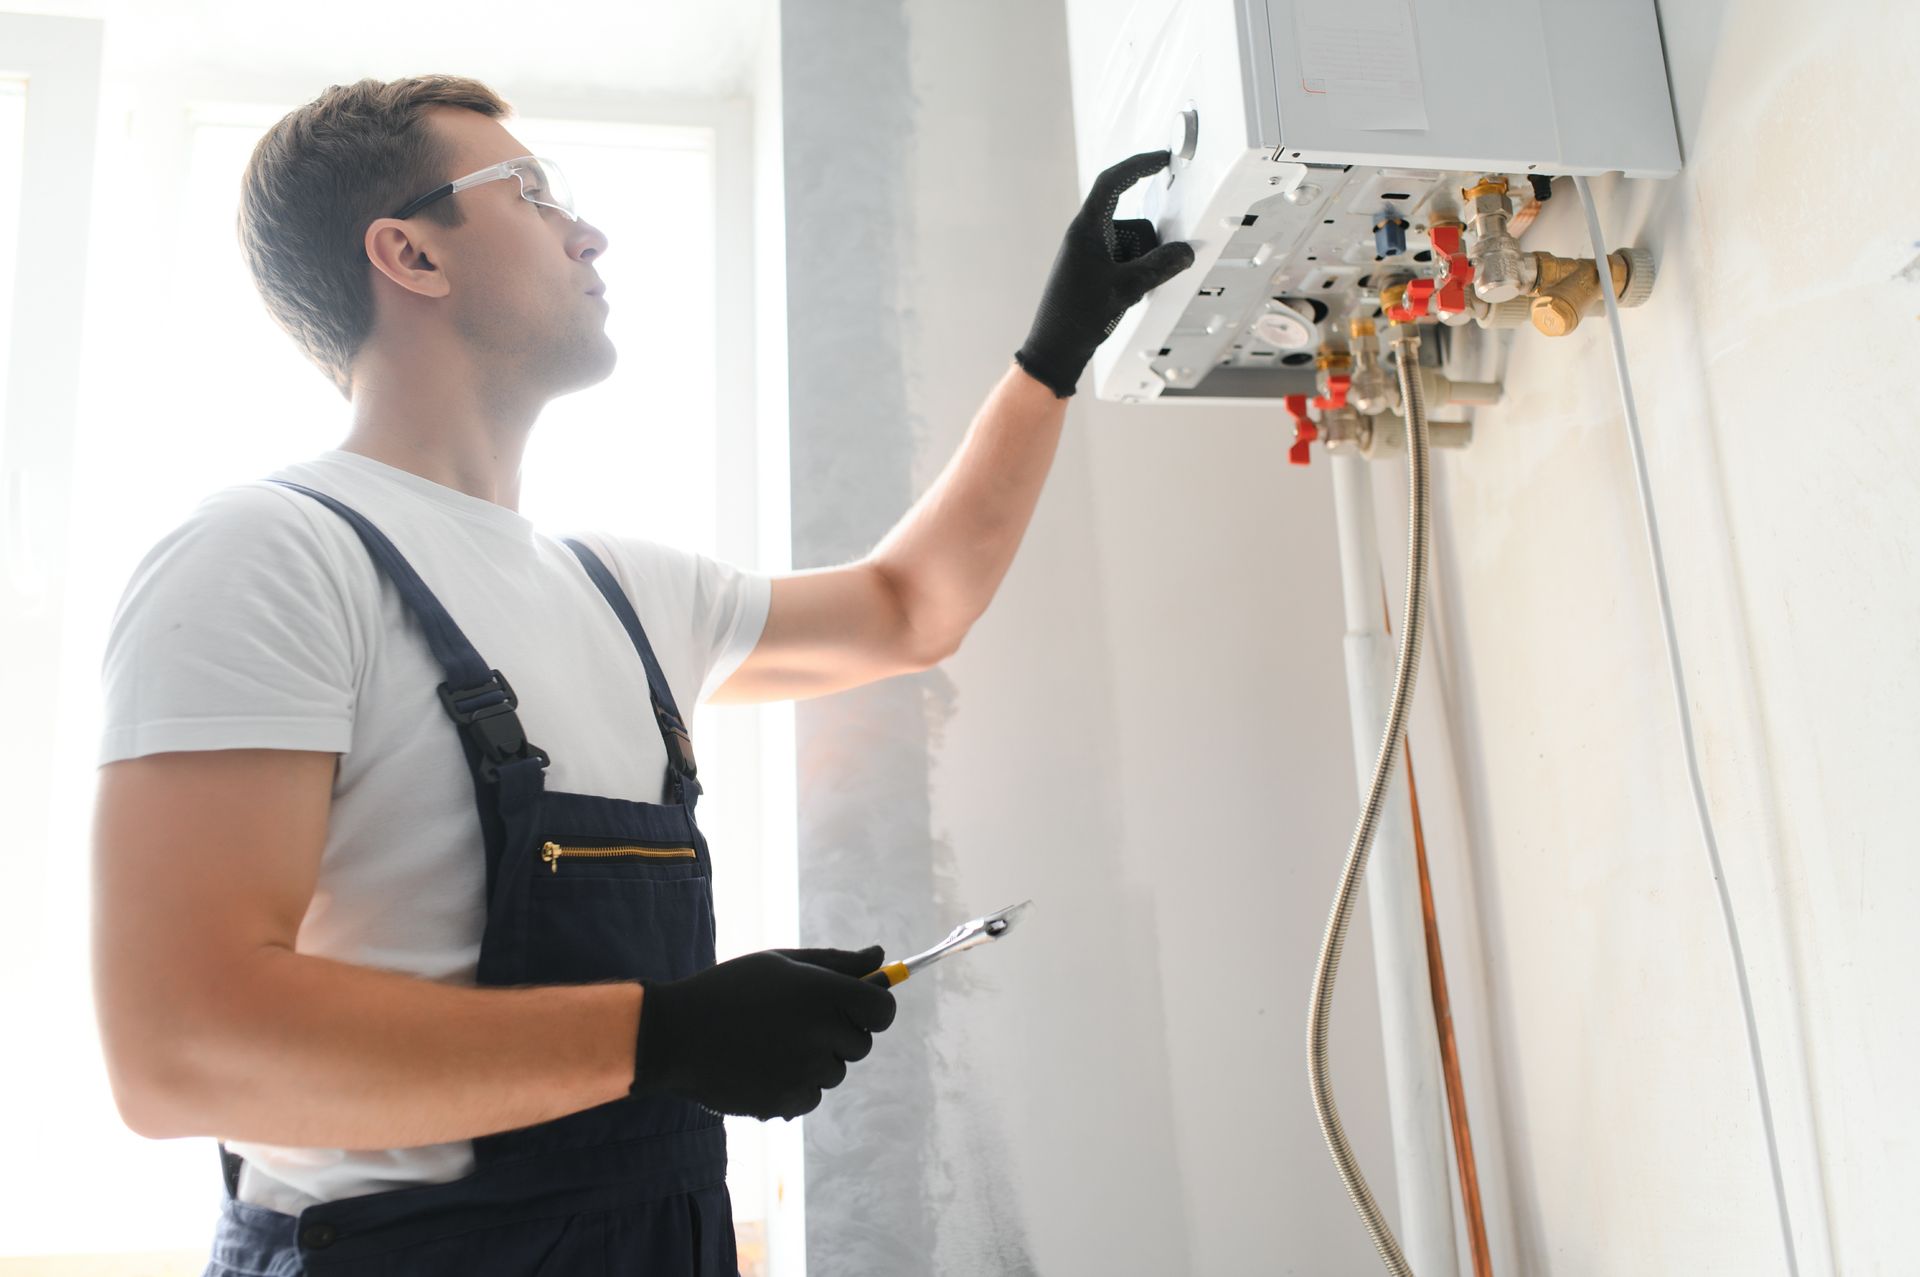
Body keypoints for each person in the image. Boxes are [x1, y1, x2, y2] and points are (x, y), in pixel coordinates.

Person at [89, 74, 1192, 1277]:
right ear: (409, 253)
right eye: (531, 191)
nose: (586, 229)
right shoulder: (269, 554)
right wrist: (662, 1033)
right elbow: (181, 1047)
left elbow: (910, 605)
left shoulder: (621, 590)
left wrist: (1055, 350)